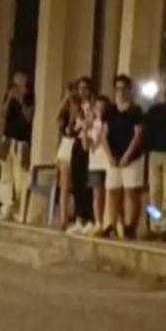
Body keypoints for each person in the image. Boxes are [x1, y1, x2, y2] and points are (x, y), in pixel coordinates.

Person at [102, 75, 144, 239]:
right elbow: (103, 135)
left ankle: (129, 225)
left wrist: (127, 155)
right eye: (117, 88)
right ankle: (110, 223)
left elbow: (137, 136)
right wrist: (110, 156)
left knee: (130, 192)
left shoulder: (135, 110)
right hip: (114, 155)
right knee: (112, 190)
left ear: (129, 90)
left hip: (131, 157)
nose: (120, 92)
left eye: (123, 88)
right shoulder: (110, 111)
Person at [143, 73, 166, 236]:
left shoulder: (159, 110)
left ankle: (160, 225)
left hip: (163, 152)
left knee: (160, 193)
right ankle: (160, 225)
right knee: (163, 193)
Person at [0, 71, 34, 221]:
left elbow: (28, 118)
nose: (16, 84)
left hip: (21, 142)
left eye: (19, 81)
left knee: (20, 177)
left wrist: (19, 99)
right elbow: (3, 113)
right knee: (5, 175)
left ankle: (20, 207)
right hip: (8, 139)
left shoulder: (29, 97)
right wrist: (9, 99)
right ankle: (6, 205)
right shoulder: (10, 95)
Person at [70, 76, 96, 232]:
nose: (82, 92)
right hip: (77, 144)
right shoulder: (77, 108)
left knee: (88, 182)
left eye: (85, 88)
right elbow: (70, 129)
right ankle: (79, 217)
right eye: (79, 89)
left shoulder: (93, 107)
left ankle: (89, 218)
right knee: (77, 181)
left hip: (90, 146)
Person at [83, 94, 111, 236]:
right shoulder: (92, 125)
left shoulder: (107, 123)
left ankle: (108, 222)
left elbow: (102, 138)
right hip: (94, 163)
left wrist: (98, 119)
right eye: (97, 107)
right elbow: (85, 146)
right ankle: (98, 221)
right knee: (96, 193)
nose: (99, 110)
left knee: (108, 193)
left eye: (102, 107)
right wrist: (85, 129)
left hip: (107, 162)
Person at [55, 82, 79, 230]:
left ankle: (76, 215)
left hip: (78, 147)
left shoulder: (84, 111)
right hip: (66, 146)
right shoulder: (65, 114)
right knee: (64, 186)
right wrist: (66, 99)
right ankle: (63, 217)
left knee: (76, 185)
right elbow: (57, 117)